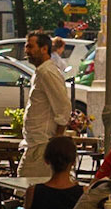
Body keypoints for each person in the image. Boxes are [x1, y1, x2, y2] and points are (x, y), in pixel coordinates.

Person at [19, 28, 72, 181]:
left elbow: (63, 107)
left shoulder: (47, 72)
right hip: (35, 143)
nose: (27, 50)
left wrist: (56, 141)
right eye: (26, 46)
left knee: (27, 188)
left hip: (43, 144)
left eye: (31, 46)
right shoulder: (40, 71)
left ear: (44, 49)